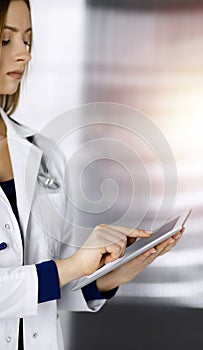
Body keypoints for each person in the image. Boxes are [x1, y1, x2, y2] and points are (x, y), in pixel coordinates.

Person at [0, 1, 184, 349]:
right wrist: (70, 267)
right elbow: (56, 272)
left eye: (27, 40)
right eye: (5, 40)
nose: (23, 54)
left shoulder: (43, 151)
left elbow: (53, 287)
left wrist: (109, 275)